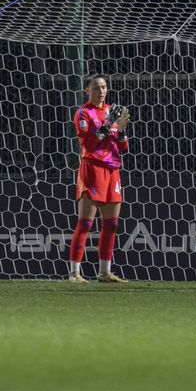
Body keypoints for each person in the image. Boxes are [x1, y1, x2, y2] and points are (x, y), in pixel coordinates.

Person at [68, 72, 130, 283]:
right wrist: (106, 125)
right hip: (93, 169)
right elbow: (89, 144)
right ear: (87, 90)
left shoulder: (113, 112)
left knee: (111, 224)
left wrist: (121, 131)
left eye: (103, 87)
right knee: (85, 223)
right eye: (96, 87)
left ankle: (104, 272)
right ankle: (74, 273)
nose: (101, 91)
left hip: (113, 170)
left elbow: (122, 147)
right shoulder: (83, 113)